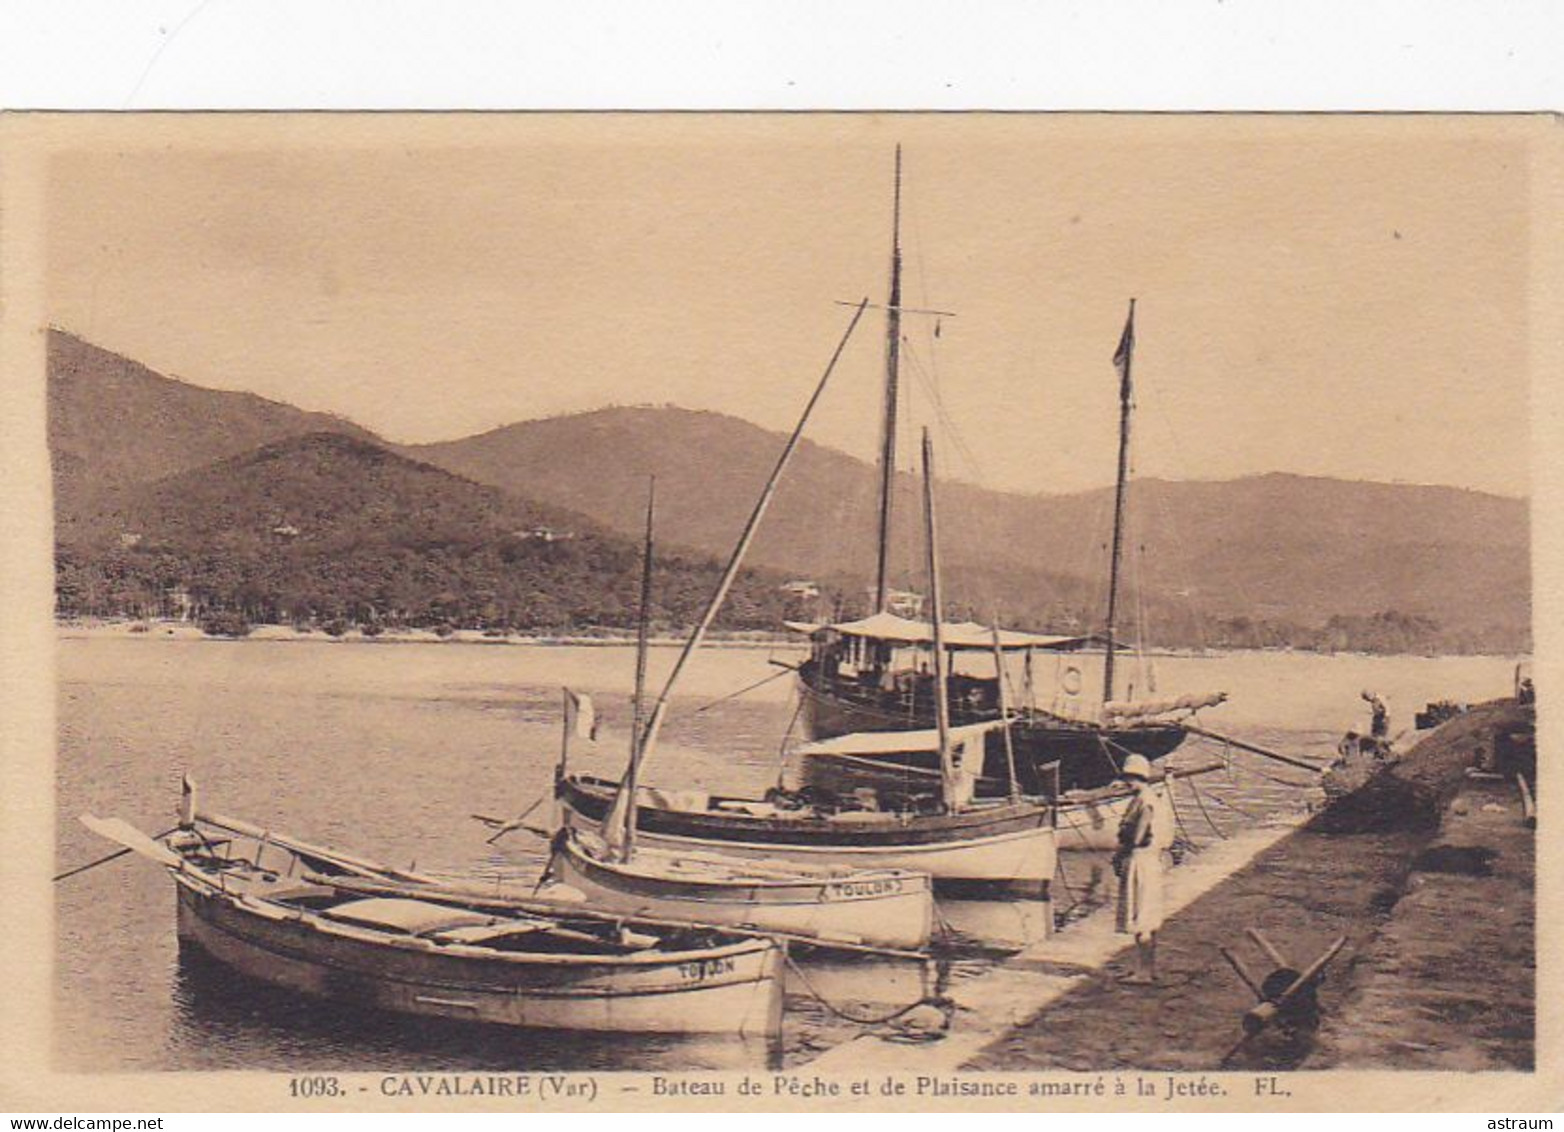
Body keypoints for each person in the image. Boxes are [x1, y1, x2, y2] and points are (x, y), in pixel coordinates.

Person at [1113, 753, 1167, 984]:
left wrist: (1119, 855)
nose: (1126, 783)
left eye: (1129, 778)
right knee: (1149, 918)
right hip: (1151, 860)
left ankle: (1143, 973)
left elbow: (1138, 836)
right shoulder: (1151, 797)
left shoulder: (1144, 802)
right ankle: (1148, 968)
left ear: (1137, 777)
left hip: (1140, 860)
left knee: (1140, 915)